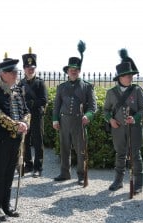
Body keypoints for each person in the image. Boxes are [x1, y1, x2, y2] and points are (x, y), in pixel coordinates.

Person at [0, 53, 30, 221]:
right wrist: (16, 125)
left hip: (17, 139)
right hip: (1, 139)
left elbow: (26, 111)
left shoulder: (18, 90)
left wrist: (25, 122)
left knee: (11, 172)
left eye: (16, 72)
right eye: (12, 72)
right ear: (3, 74)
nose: (16, 75)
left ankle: (6, 205)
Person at [104, 49, 143, 194]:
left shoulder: (137, 90)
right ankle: (118, 181)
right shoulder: (111, 93)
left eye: (130, 75)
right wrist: (110, 120)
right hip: (118, 129)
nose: (130, 78)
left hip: (134, 128)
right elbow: (105, 111)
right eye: (126, 75)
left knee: (135, 154)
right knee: (120, 154)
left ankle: (138, 183)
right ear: (120, 77)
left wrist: (134, 118)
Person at [52, 40, 97, 185]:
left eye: (76, 69)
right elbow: (56, 105)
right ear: (67, 71)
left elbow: (93, 107)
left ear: (79, 71)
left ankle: (81, 175)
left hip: (79, 121)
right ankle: (65, 173)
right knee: (64, 149)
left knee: (81, 151)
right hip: (64, 121)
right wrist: (55, 119)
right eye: (71, 69)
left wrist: (88, 116)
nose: (73, 71)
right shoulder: (61, 87)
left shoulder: (87, 87)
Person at [18, 47, 48, 177]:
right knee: (25, 140)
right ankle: (28, 165)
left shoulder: (40, 83)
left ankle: (38, 167)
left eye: (33, 67)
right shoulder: (21, 83)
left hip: (36, 116)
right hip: (25, 117)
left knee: (37, 142)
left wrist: (30, 104)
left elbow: (44, 100)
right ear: (24, 68)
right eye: (28, 67)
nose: (31, 69)